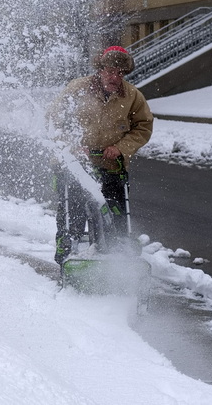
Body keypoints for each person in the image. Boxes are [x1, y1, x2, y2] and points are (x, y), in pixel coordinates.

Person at [47, 46, 154, 264]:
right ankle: (68, 246)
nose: (114, 77)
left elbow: (143, 126)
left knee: (113, 212)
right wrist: (73, 145)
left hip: (110, 165)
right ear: (100, 69)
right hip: (75, 164)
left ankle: (115, 252)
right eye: (110, 71)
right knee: (73, 209)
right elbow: (54, 121)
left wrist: (121, 148)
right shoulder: (77, 89)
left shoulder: (132, 96)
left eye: (120, 73)